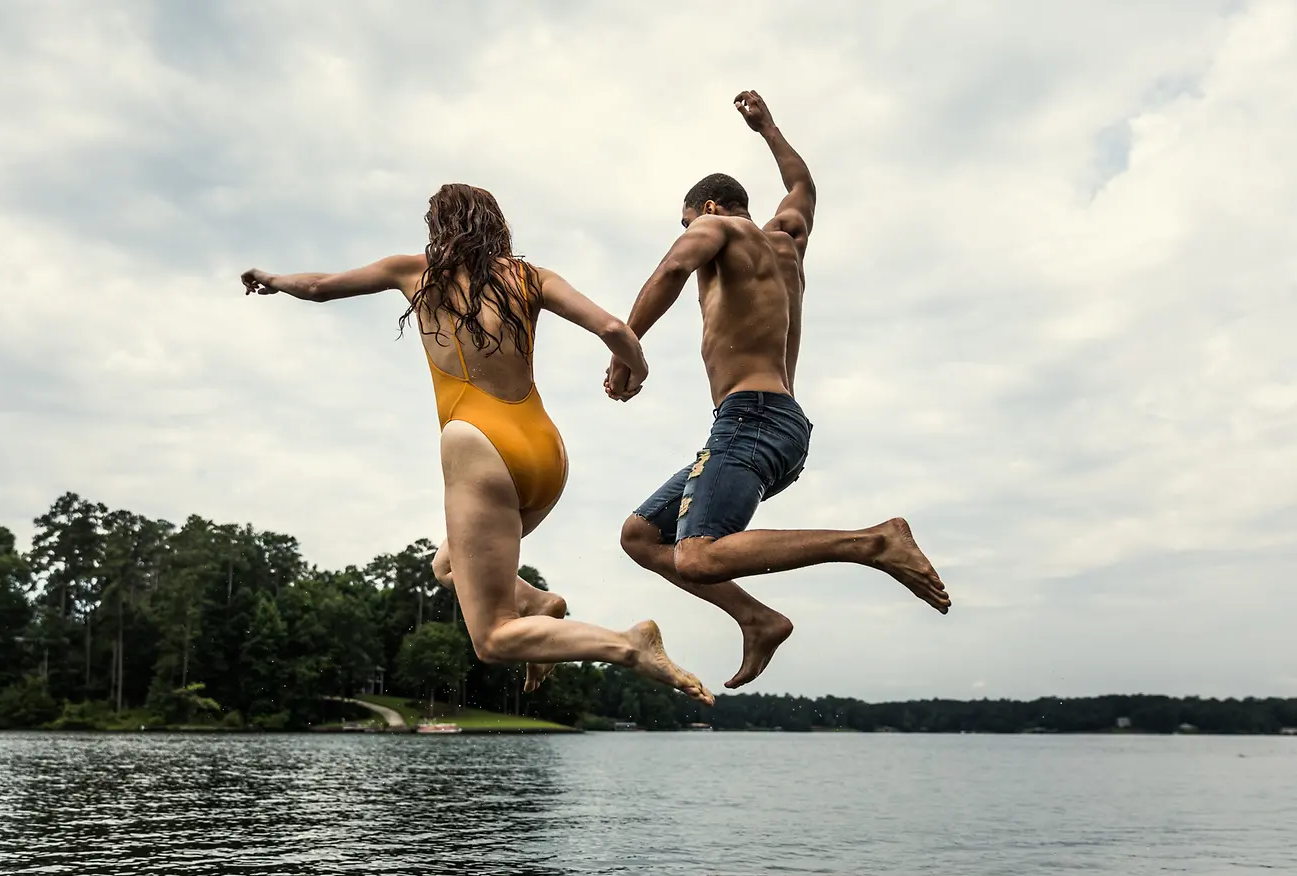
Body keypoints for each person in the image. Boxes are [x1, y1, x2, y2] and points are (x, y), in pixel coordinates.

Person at [241, 183, 713, 705]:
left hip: (478, 448)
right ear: (496, 225)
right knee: (446, 564)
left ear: (438, 228)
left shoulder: (414, 272)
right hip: (544, 452)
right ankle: (538, 604)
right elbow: (612, 327)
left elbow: (322, 285)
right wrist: (634, 371)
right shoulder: (532, 278)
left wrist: (273, 279)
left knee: (492, 638)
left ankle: (627, 645)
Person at [606, 91, 951, 691]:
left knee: (698, 554)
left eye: (688, 220)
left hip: (749, 418)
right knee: (641, 537)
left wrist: (625, 345)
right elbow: (803, 185)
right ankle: (757, 618)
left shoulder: (716, 226)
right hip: (774, 424)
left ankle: (871, 542)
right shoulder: (787, 238)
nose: (693, 231)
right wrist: (768, 128)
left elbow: (670, 271)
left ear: (708, 208)